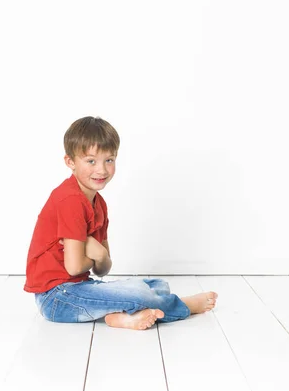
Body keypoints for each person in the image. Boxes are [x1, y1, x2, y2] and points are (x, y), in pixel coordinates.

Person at [24, 116, 217, 330]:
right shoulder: (70, 200)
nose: (102, 170)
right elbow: (74, 266)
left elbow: (103, 269)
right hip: (57, 299)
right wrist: (96, 255)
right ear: (70, 162)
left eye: (109, 160)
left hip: (80, 287)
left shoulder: (99, 203)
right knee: (140, 293)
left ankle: (120, 316)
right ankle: (184, 306)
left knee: (155, 285)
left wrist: (101, 255)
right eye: (91, 161)